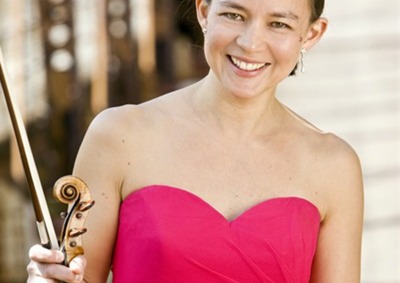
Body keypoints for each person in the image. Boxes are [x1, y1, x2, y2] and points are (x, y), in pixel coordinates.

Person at [27, 0, 364, 282]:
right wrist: (44, 279)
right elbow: (76, 278)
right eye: (234, 15)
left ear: (311, 34)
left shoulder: (334, 166)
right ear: (204, 11)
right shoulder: (118, 136)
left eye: (279, 24)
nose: (250, 43)